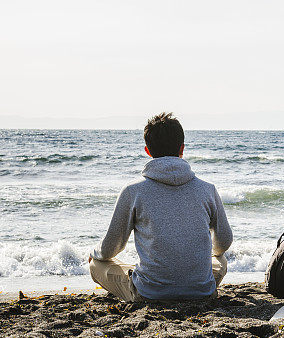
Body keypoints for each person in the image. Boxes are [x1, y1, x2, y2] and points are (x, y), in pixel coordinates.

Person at [88, 112, 232, 301]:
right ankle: (194, 282)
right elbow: (224, 241)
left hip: (149, 294)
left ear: (148, 151)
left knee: (95, 265)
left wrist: (94, 253)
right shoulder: (208, 189)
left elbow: (111, 248)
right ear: (182, 148)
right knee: (220, 259)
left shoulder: (133, 190)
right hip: (202, 292)